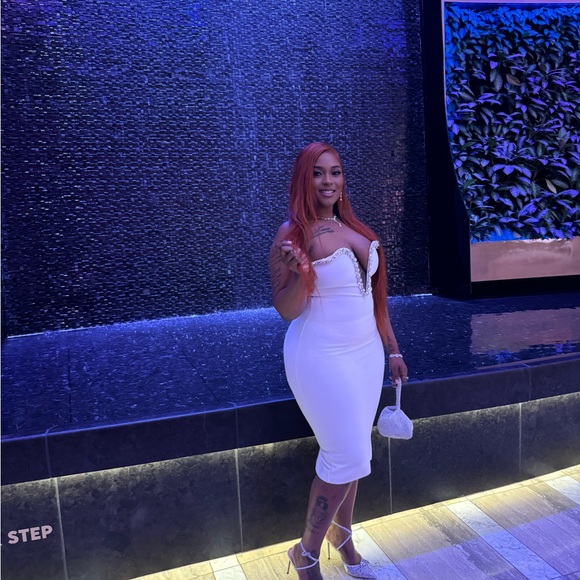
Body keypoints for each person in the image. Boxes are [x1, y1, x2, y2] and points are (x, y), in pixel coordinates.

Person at [269, 142, 408, 579]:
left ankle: (342, 536)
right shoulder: (292, 234)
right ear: (303, 179)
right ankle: (305, 554)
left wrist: (393, 349)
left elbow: (375, 300)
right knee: (345, 454)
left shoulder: (355, 227)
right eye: (317, 173)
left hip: (365, 355)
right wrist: (304, 273)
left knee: (356, 454)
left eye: (335, 171)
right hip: (320, 356)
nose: (328, 181)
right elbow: (286, 310)